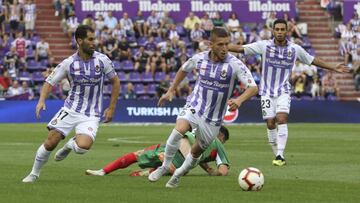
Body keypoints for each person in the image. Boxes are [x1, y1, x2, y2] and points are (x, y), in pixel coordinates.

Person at [228, 19, 350, 166]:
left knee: (281, 119)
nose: (279, 32)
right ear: (273, 31)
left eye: (282, 29)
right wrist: (222, 47)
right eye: (277, 29)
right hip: (266, 92)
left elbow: (313, 60)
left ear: (287, 31)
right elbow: (241, 49)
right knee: (270, 123)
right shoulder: (264, 46)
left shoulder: (295, 49)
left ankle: (280, 155)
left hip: (283, 91)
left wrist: (332, 67)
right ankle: (276, 154)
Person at [148, 27, 258, 188]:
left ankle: (178, 174)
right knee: (178, 130)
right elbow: (183, 69)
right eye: (220, 44)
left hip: (213, 119)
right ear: (210, 44)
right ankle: (165, 166)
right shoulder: (199, 58)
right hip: (195, 106)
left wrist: (239, 100)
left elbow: (253, 87)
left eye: (227, 44)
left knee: (196, 152)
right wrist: (171, 90)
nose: (225, 48)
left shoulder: (235, 64)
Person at [22, 25, 120, 183]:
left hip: (91, 113)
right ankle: (34, 174)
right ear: (79, 41)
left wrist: (112, 107)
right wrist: (41, 101)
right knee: (51, 141)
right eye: (90, 39)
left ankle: (69, 145)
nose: (94, 42)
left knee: (82, 148)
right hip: (70, 109)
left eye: (94, 39)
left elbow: (116, 82)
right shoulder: (69, 63)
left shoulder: (102, 60)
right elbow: (49, 82)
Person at [85, 126, 230, 177]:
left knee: (137, 155)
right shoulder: (218, 145)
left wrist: (205, 167)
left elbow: (186, 141)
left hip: (173, 146)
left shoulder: (201, 131)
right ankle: (160, 169)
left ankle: (103, 171)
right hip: (183, 156)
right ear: (222, 136)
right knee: (181, 168)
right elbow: (223, 171)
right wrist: (213, 172)